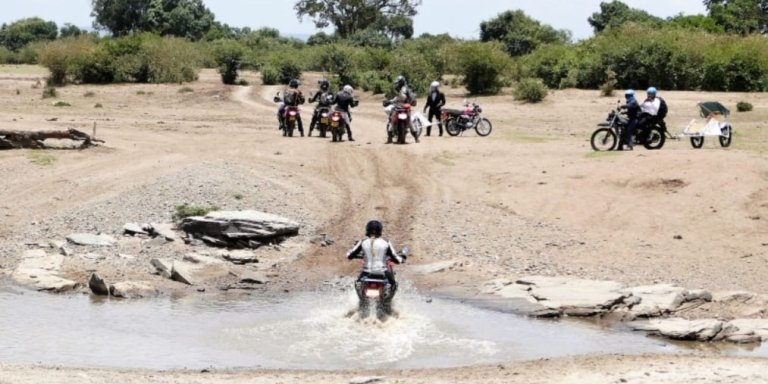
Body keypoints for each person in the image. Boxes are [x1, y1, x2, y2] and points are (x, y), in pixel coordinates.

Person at [346, 220, 406, 306]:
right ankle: (387, 302)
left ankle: (362, 300)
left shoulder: (362, 242)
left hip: (366, 273)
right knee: (394, 285)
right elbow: (395, 258)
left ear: (367, 230)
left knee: (357, 283)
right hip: (383, 273)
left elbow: (350, 255)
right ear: (380, 230)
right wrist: (401, 259)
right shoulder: (386, 242)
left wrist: (351, 254)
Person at [386, 75, 419, 144]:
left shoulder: (404, 89)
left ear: (401, 82)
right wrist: (390, 101)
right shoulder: (404, 89)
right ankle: (416, 138)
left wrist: (412, 101)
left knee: (392, 122)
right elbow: (397, 98)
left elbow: (407, 97)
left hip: (402, 108)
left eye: (398, 82)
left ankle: (389, 138)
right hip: (403, 108)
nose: (397, 84)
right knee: (409, 122)